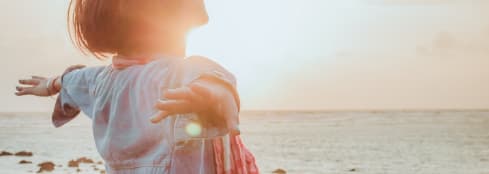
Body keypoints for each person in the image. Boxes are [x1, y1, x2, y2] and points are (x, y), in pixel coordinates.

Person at [14, 0, 259, 173]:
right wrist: (210, 95)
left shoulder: (100, 80)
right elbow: (212, 79)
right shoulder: (179, 72)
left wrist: (49, 85)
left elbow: (71, 80)